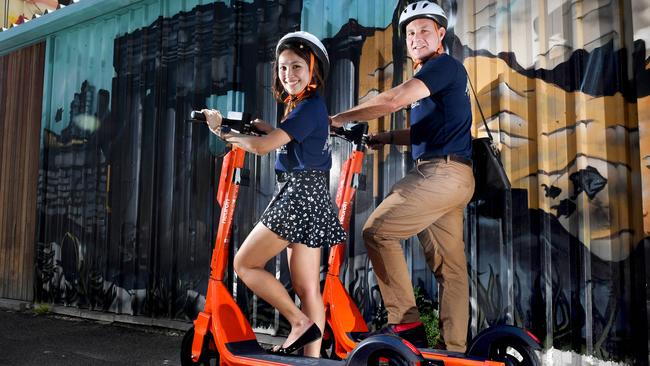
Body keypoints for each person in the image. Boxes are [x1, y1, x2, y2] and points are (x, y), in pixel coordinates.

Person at [329, 1, 474, 352]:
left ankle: (405, 323)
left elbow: (394, 100)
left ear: (441, 34)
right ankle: (452, 353)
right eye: (410, 33)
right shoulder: (438, 78)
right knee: (451, 271)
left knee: (376, 232)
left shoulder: (441, 67)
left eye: (424, 30)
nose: (416, 37)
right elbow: (430, 129)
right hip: (455, 177)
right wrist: (386, 137)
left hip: (439, 174)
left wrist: (333, 120)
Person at [202, 31, 346, 357]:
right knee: (307, 287)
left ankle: (297, 322)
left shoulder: (307, 107)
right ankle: (313, 360)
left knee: (245, 264)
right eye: (282, 68)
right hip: (313, 194)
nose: (288, 75)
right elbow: (286, 137)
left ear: (313, 71)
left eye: (297, 67)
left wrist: (221, 129)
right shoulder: (308, 108)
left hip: (297, 195)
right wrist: (263, 127)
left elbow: (265, 147)